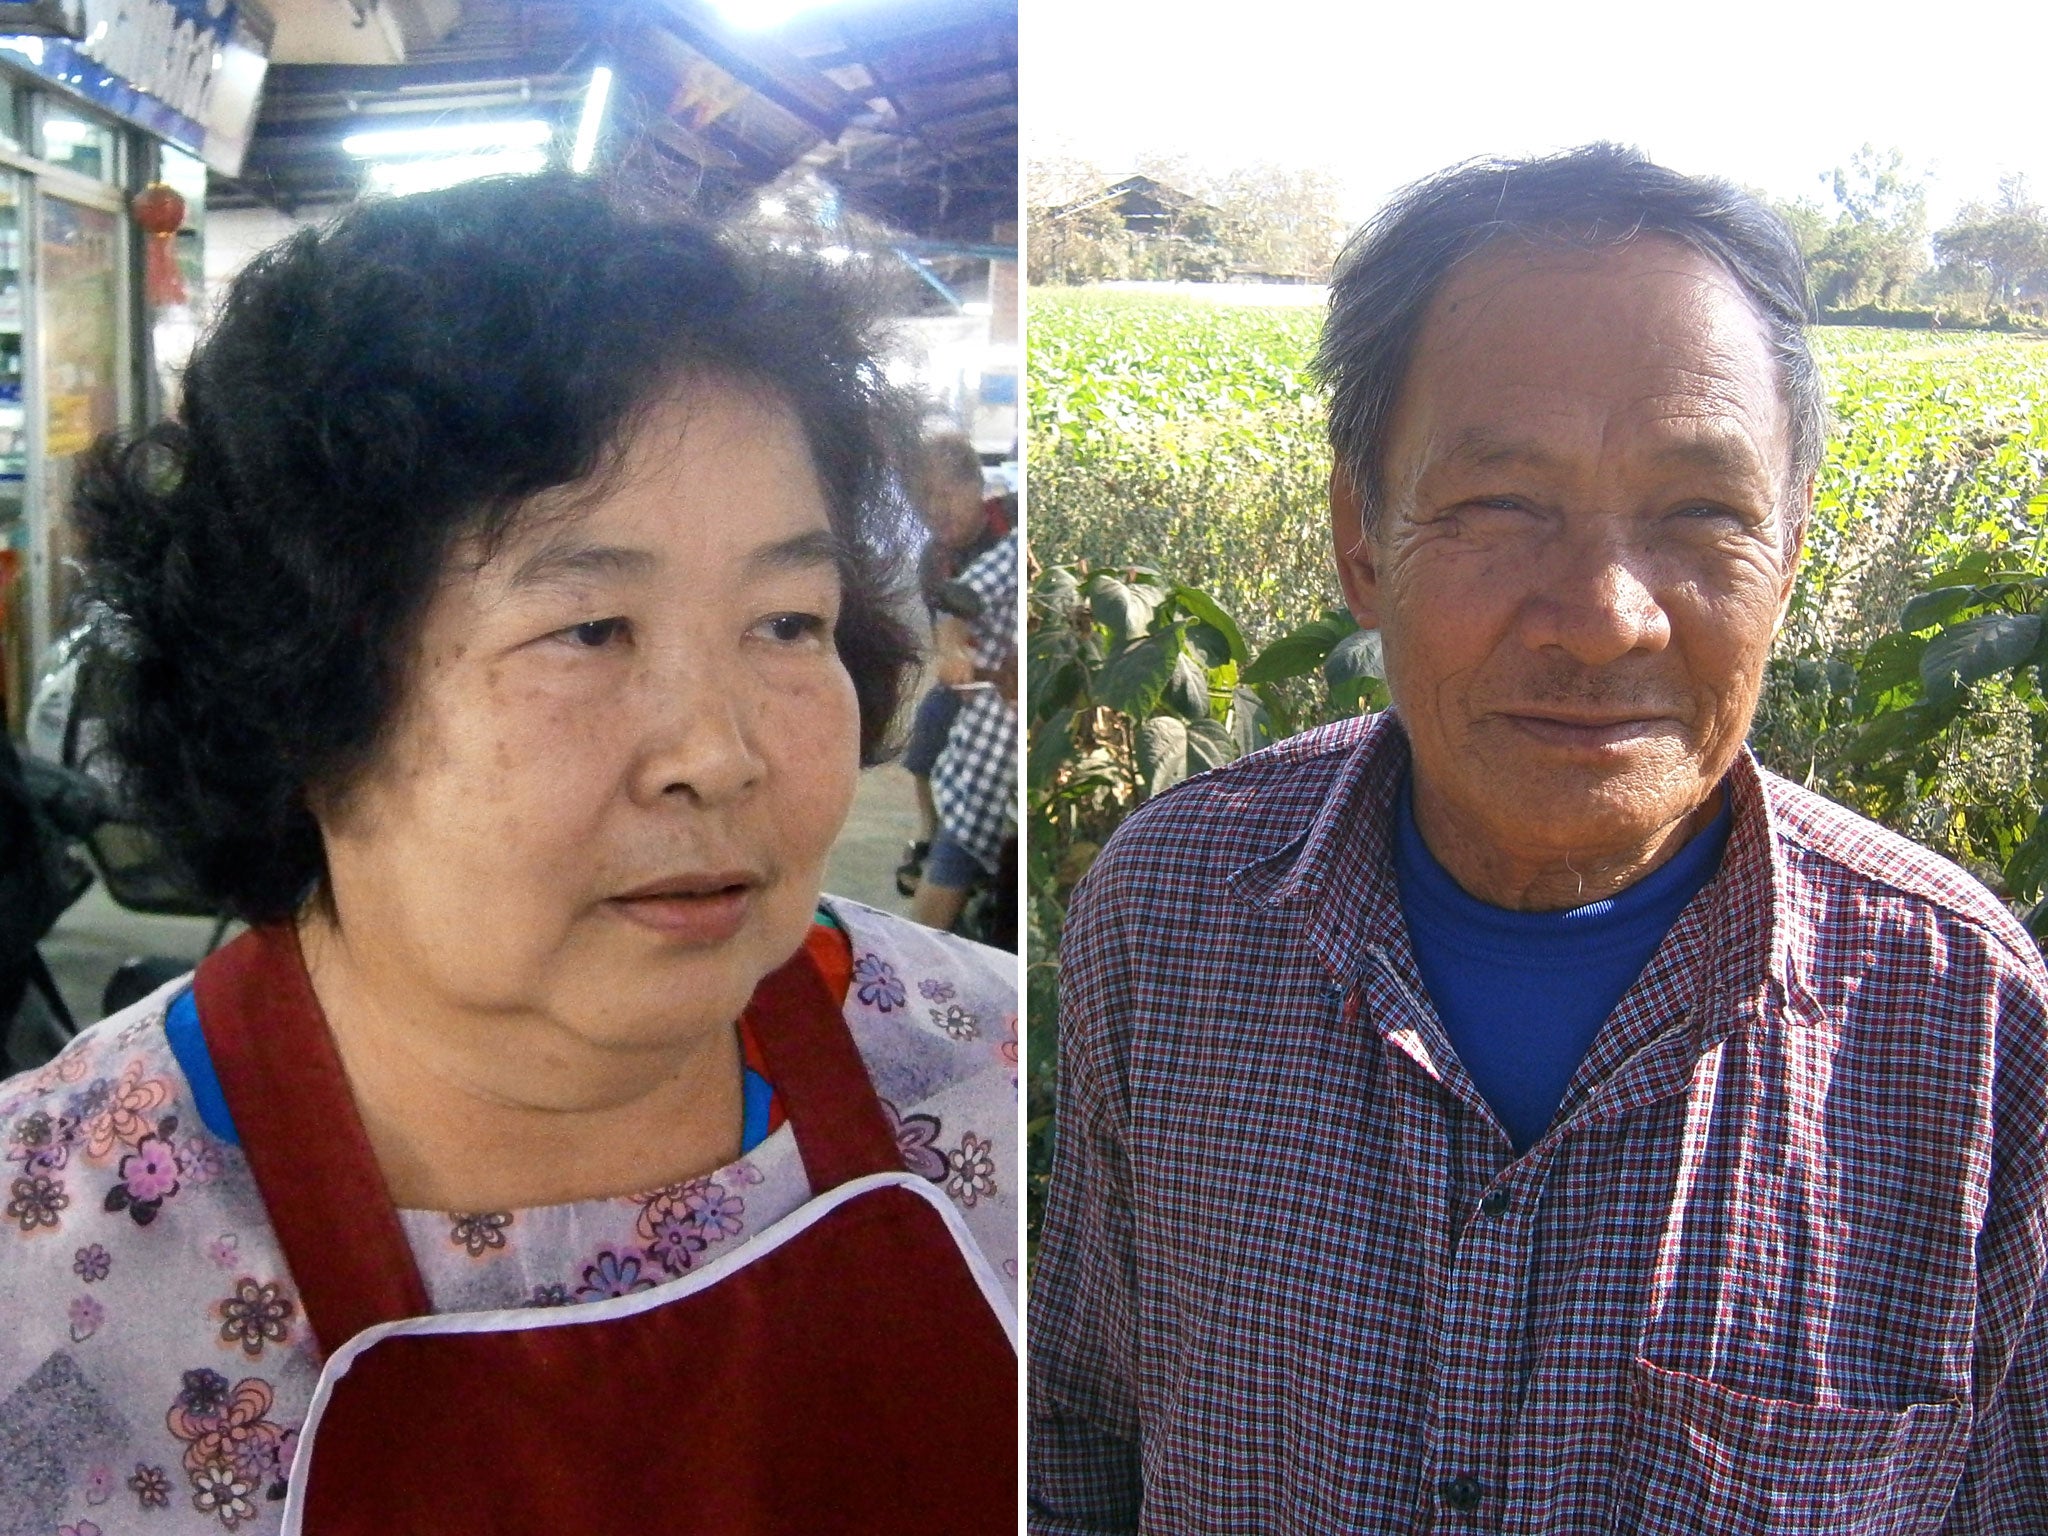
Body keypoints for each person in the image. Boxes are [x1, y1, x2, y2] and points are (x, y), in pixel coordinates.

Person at [1029, 144, 2048, 1534]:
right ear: (1361, 543)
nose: (1606, 615)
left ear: (1793, 554)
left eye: (1700, 512)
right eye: (1501, 507)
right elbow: (1082, 1431)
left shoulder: (1968, 1023)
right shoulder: (1171, 922)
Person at [0, 174, 1015, 1534]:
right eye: (589, 630)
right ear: (304, 693)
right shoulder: (51, 1274)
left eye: (786, 620)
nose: (717, 754)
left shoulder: (1004, 1082)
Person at [895, 425, 1006, 902]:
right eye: (924, 498)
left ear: (977, 488)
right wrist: (952, 655)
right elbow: (946, 619)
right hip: (973, 681)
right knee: (929, 725)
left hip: (1010, 684)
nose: (936, 508)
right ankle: (929, 830)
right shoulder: (933, 559)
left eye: (947, 493)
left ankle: (957, 855)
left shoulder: (1011, 526)